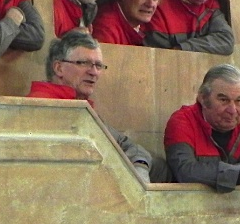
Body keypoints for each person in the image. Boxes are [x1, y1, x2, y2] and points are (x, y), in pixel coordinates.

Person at [28, 32, 153, 182]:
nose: (93, 72)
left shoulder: (80, 107)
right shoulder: (42, 107)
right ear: (59, 68)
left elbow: (127, 145)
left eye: (98, 65)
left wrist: (140, 169)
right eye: (83, 63)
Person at [164, 64, 240, 211]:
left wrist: (231, 175)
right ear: (203, 99)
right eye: (223, 100)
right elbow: (185, 171)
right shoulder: (182, 121)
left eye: (239, 101)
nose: (232, 110)